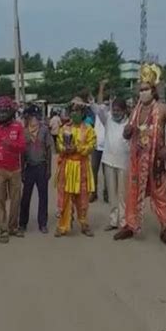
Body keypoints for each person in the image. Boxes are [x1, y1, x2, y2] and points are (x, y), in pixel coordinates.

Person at [114, 64, 166, 246]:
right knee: (132, 192)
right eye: (141, 90)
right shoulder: (135, 111)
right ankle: (130, 225)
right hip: (137, 160)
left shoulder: (162, 109)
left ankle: (165, 229)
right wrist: (127, 131)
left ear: (153, 90)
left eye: (145, 89)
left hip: (156, 161)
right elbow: (127, 134)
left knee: (160, 195)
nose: (142, 92)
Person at [91, 81, 130, 231]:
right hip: (108, 161)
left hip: (123, 163)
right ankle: (113, 220)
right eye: (114, 109)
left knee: (122, 194)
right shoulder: (107, 119)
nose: (116, 112)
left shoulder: (129, 124)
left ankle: (123, 221)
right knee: (112, 194)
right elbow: (99, 106)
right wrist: (101, 88)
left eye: (119, 110)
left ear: (124, 110)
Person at [55, 97, 96, 237]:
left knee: (82, 197)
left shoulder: (88, 129)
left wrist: (77, 148)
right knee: (64, 197)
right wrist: (64, 149)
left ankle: (84, 224)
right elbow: (59, 144)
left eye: (78, 111)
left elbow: (91, 146)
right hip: (67, 166)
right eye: (72, 111)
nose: (74, 113)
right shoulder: (64, 128)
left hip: (81, 166)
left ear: (83, 113)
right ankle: (63, 225)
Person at [0, 97, 26, 243]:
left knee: (16, 200)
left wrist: (10, 144)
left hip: (15, 170)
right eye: (0, 110)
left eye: (5, 110)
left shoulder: (18, 127)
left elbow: (22, 147)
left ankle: (13, 227)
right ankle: (3, 230)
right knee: (0, 201)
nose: (2, 113)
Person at [19, 105, 52, 234]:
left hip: (42, 166)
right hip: (29, 167)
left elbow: (49, 149)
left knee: (43, 196)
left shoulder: (44, 131)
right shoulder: (24, 132)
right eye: (32, 116)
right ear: (27, 117)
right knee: (25, 197)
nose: (34, 119)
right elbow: (21, 153)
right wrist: (22, 170)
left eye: (36, 117)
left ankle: (42, 223)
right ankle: (22, 223)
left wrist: (49, 168)